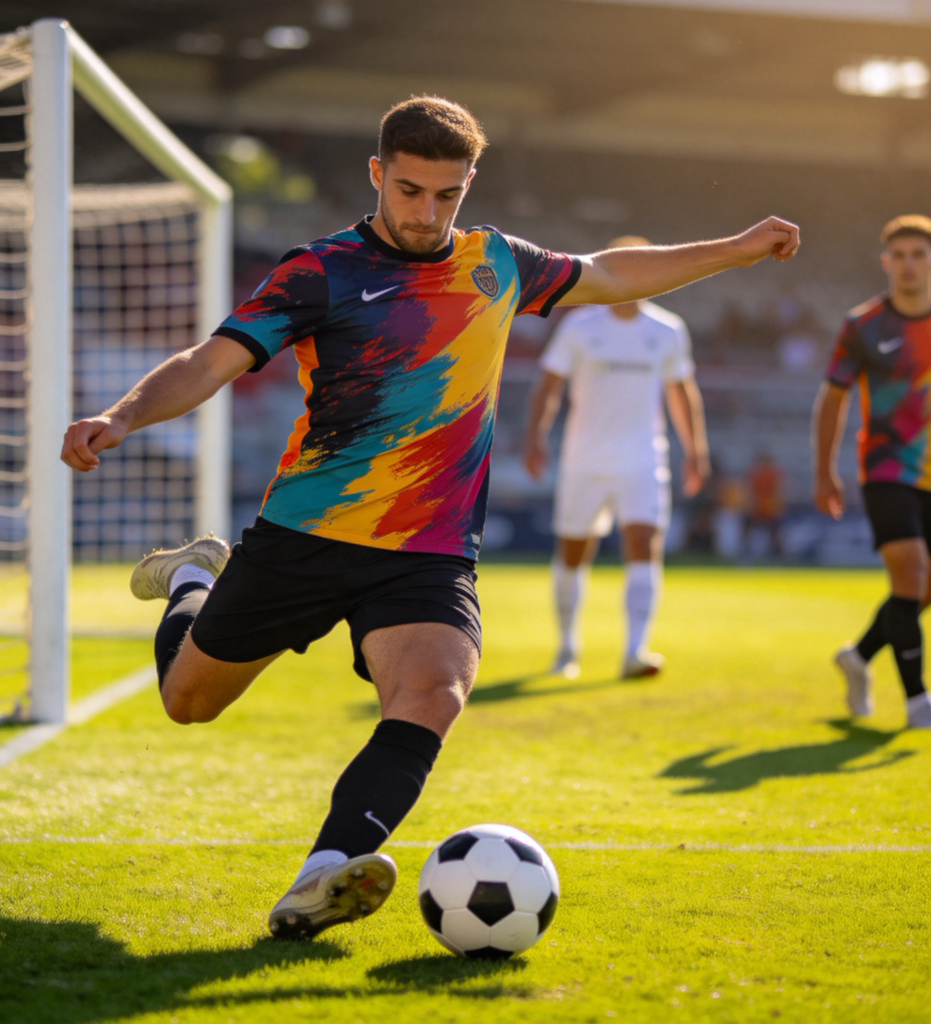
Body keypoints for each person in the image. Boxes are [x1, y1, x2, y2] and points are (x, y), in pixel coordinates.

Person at [60, 95, 800, 940]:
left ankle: (321, 875)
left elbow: (614, 273)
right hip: (307, 533)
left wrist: (737, 249)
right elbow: (210, 362)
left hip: (429, 548)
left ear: (468, 185)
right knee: (188, 702)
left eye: (446, 195)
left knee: (434, 691)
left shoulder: (500, 264)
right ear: (378, 174)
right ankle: (195, 576)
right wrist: (120, 417)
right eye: (409, 191)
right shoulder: (319, 271)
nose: (426, 212)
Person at [522, 243, 711, 680]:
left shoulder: (667, 330)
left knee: (644, 544)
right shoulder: (580, 325)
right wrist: (534, 438)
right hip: (583, 458)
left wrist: (695, 450)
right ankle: (567, 649)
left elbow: (682, 392)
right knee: (573, 552)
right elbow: (548, 384)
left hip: (643, 458)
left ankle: (635, 651)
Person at [812, 213, 931, 730]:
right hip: (885, 466)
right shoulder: (862, 325)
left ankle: (858, 657)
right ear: (886, 262)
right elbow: (832, 398)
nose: (908, 265)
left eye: (919, 254)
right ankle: (917, 704)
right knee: (912, 574)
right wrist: (824, 471)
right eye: (899, 255)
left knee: (920, 591)